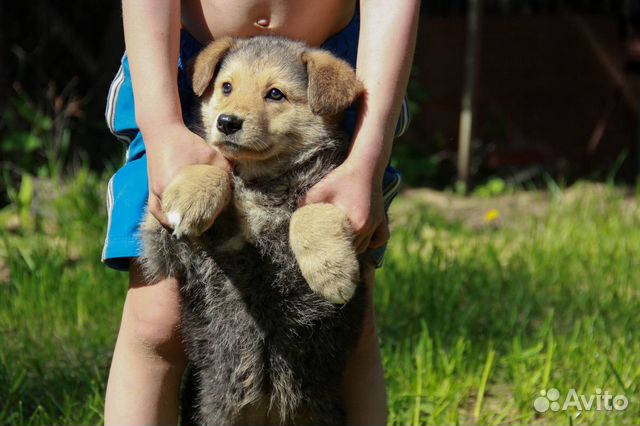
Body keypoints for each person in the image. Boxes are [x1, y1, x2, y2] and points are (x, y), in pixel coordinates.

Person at [102, 1, 419, 424]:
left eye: (271, 97)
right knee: (156, 320)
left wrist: (367, 160)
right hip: (180, 63)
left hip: (341, 67)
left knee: (347, 317)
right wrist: (163, 130)